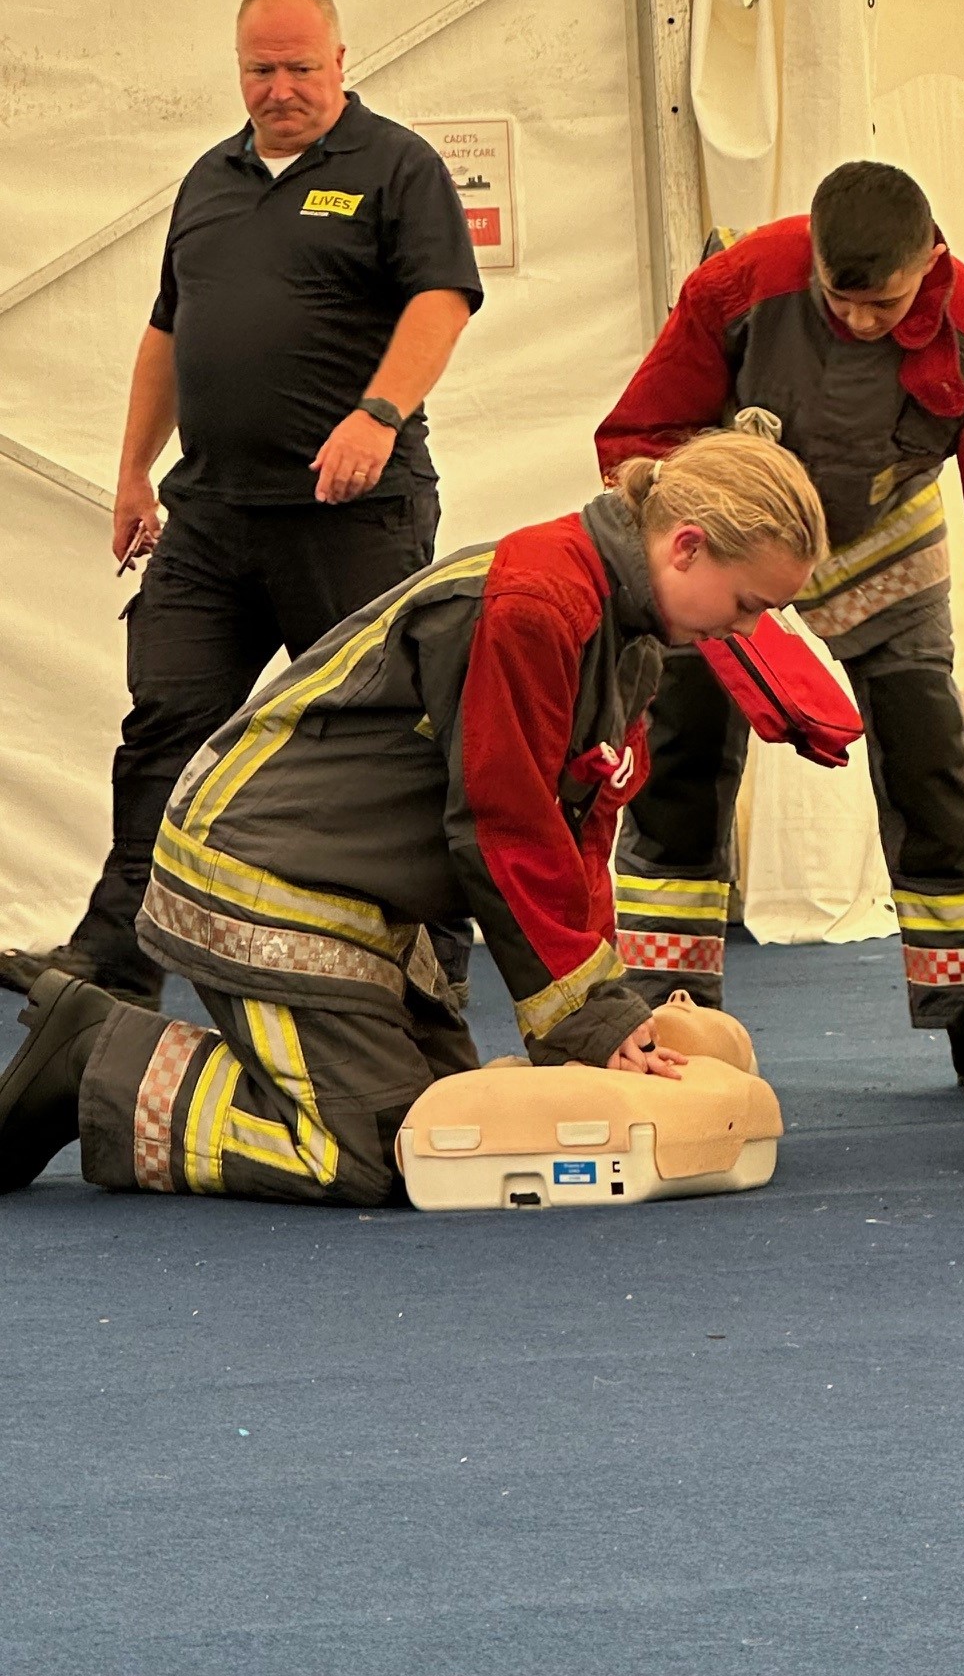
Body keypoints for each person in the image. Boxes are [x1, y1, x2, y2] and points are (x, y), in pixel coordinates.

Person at [0, 432, 827, 1206]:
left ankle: (143, 1055)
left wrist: (602, 1010)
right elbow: (506, 826)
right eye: (748, 602)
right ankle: (99, 1058)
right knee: (374, 1153)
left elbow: (577, 833)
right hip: (261, 872)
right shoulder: (541, 600)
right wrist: (586, 1019)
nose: (748, 629)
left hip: (359, 892)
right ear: (686, 547)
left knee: (450, 1131)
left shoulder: (630, 631)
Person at [3, 0, 482, 1009]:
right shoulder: (209, 180)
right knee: (165, 726)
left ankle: (425, 960)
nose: (280, 89)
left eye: (300, 68)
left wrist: (379, 414)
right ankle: (112, 964)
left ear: (341, 61)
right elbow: (168, 331)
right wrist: (132, 473)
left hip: (351, 519)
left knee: (380, 735)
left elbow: (442, 300)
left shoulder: (397, 166)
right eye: (260, 70)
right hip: (211, 517)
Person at [595, 161, 964, 1038]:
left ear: (930, 260)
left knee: (930, 762)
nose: (858, 322)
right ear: (810, 252)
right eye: (836, 300)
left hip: (884, 550)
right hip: (734, 541)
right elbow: (639, 436)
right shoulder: (740, 281)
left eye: (881, 306)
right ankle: (664, 1005)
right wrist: (694, 548)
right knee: (679, 756)